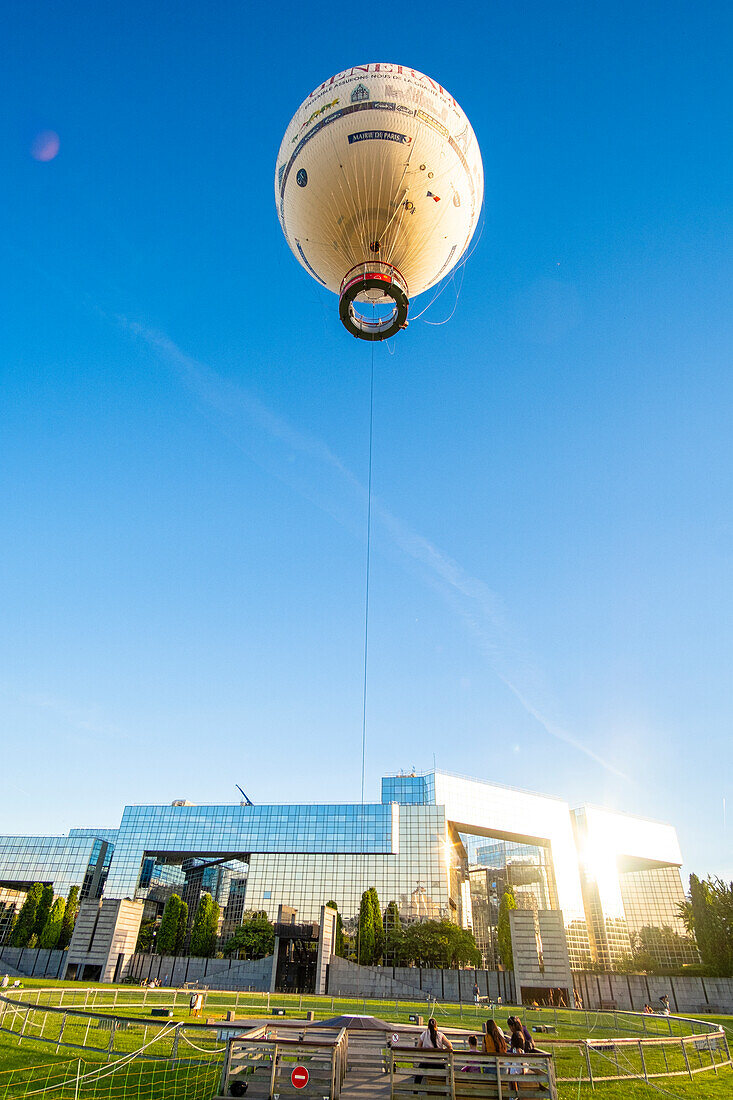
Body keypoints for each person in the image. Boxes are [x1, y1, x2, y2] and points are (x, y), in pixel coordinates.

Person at [415, 1019, 452, 1087]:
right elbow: (449, 1046)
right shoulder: (440, 1035)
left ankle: (416, 1091)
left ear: (428, 1026)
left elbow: (418, 1047)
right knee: (446, 1074)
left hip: (426, 1061)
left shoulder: (424, 1034)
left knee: (418, 1076)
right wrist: (443, 1053)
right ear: (436, 1025)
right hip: (438, 1062)